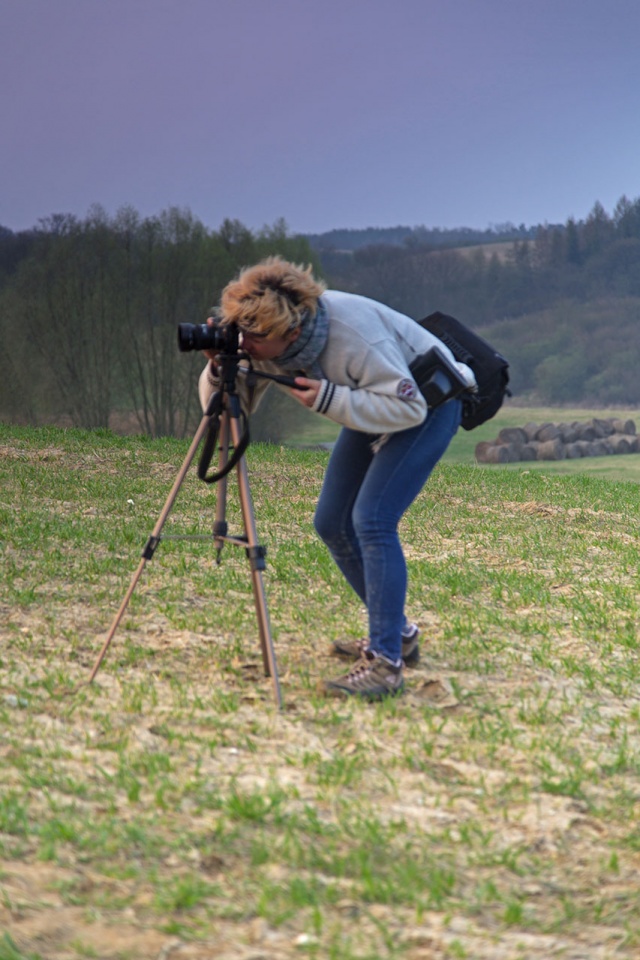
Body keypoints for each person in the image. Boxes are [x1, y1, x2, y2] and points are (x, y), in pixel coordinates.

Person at [199, 256, 475, 701]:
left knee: (372, 519)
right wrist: (220, 368)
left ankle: (386, 664)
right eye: (238, 332)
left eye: (253, 337)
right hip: (369, 399)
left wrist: (330, 397)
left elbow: (409, 408)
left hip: (430, 402)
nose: (244, 343)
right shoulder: (276, 339)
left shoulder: (352, 337)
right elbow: (231, 409)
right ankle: (399, 635)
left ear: (291, 332)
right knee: (331, 521)